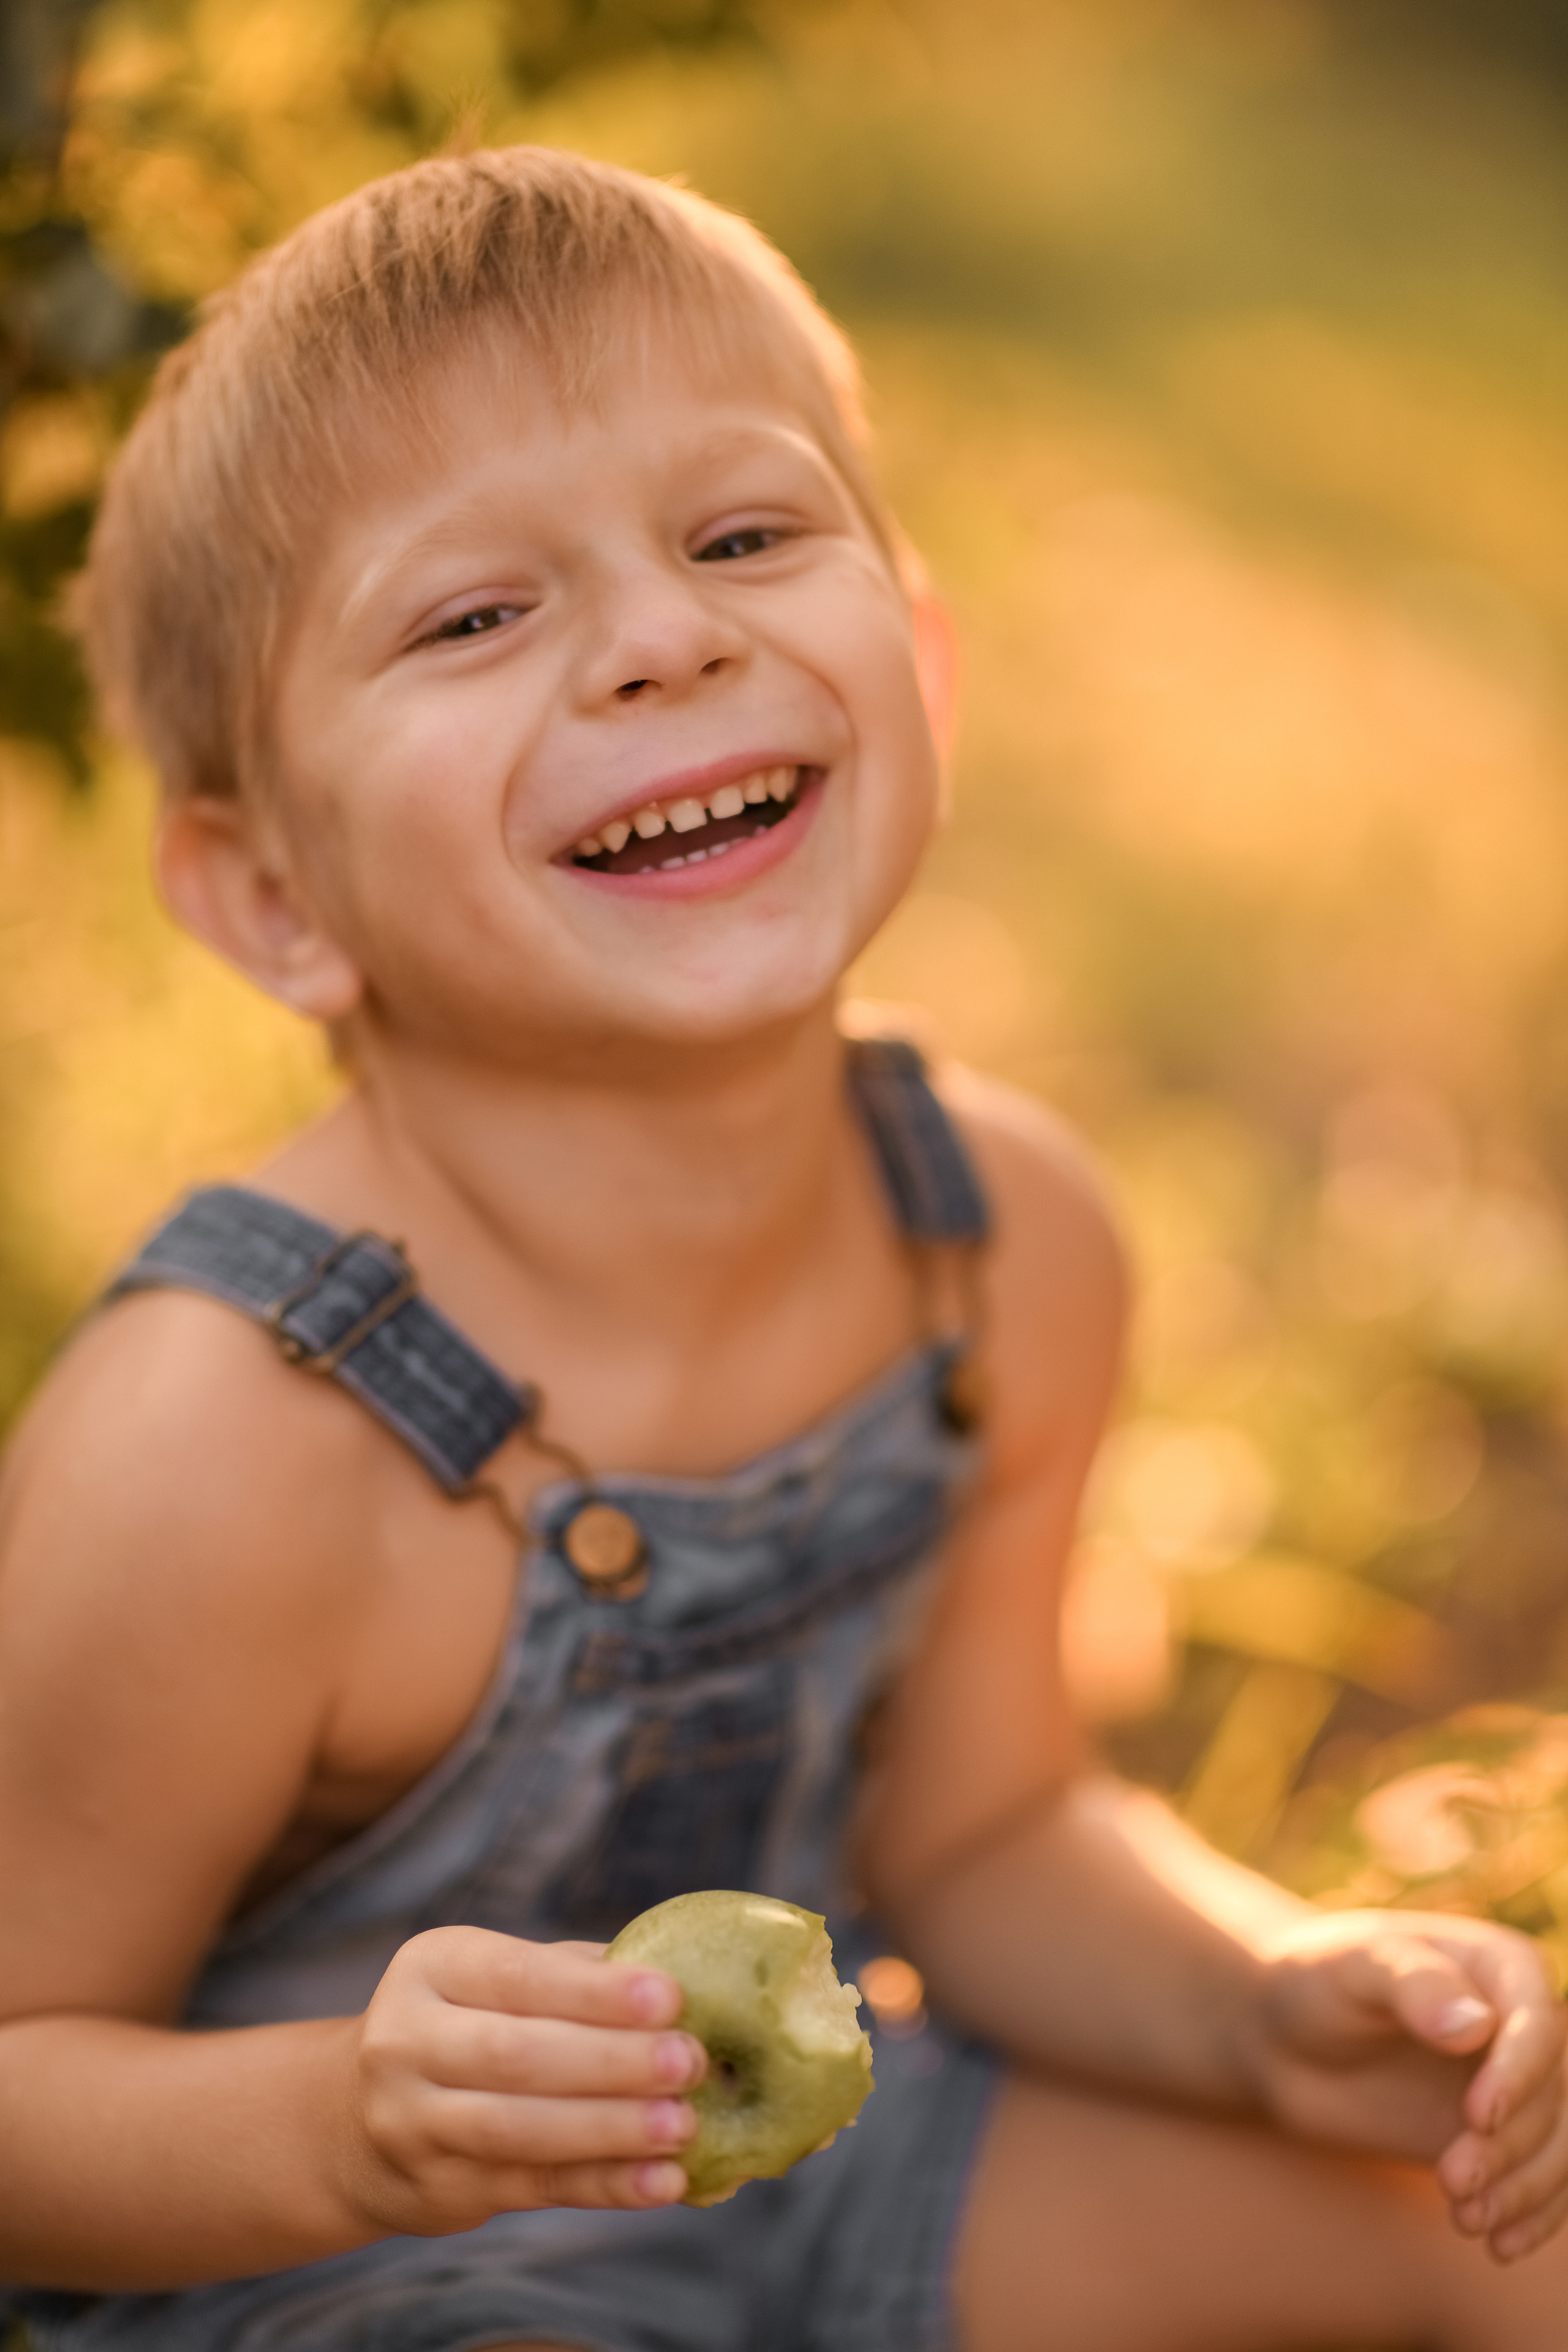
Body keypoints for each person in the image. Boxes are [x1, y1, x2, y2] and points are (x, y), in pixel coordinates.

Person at [1, 147, 1566, 2352]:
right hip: (336, 2279)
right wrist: (348, 2130)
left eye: (744, 538)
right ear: (271, 896)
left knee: (1496, 2240)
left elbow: (993, 1833)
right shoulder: (224, 1441)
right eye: (473, 615)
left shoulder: (1000, 1248)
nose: (666, 637)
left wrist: (1269, 2005)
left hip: (842, 2178)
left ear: (917, 658)